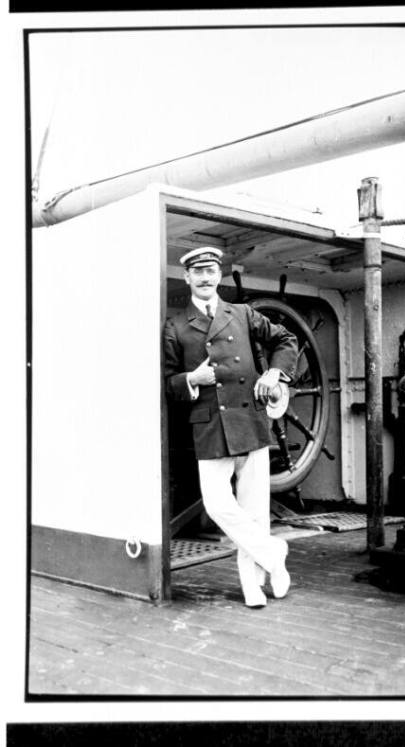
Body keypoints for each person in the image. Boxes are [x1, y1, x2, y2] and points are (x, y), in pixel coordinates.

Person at [163, 246, 298, 608]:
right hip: (209, 426)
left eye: (211, 270)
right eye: (198, 271)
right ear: (187, 277)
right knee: (218, 504)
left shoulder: (242, 313)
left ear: (219, 274)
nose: (206, 277)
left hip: (249, 422)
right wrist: (192, 377)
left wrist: (273, 371)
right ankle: (274, 553)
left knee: (254, 510)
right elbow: (167, 382)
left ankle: (253, 587)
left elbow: (286, 339)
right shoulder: (175, 326)